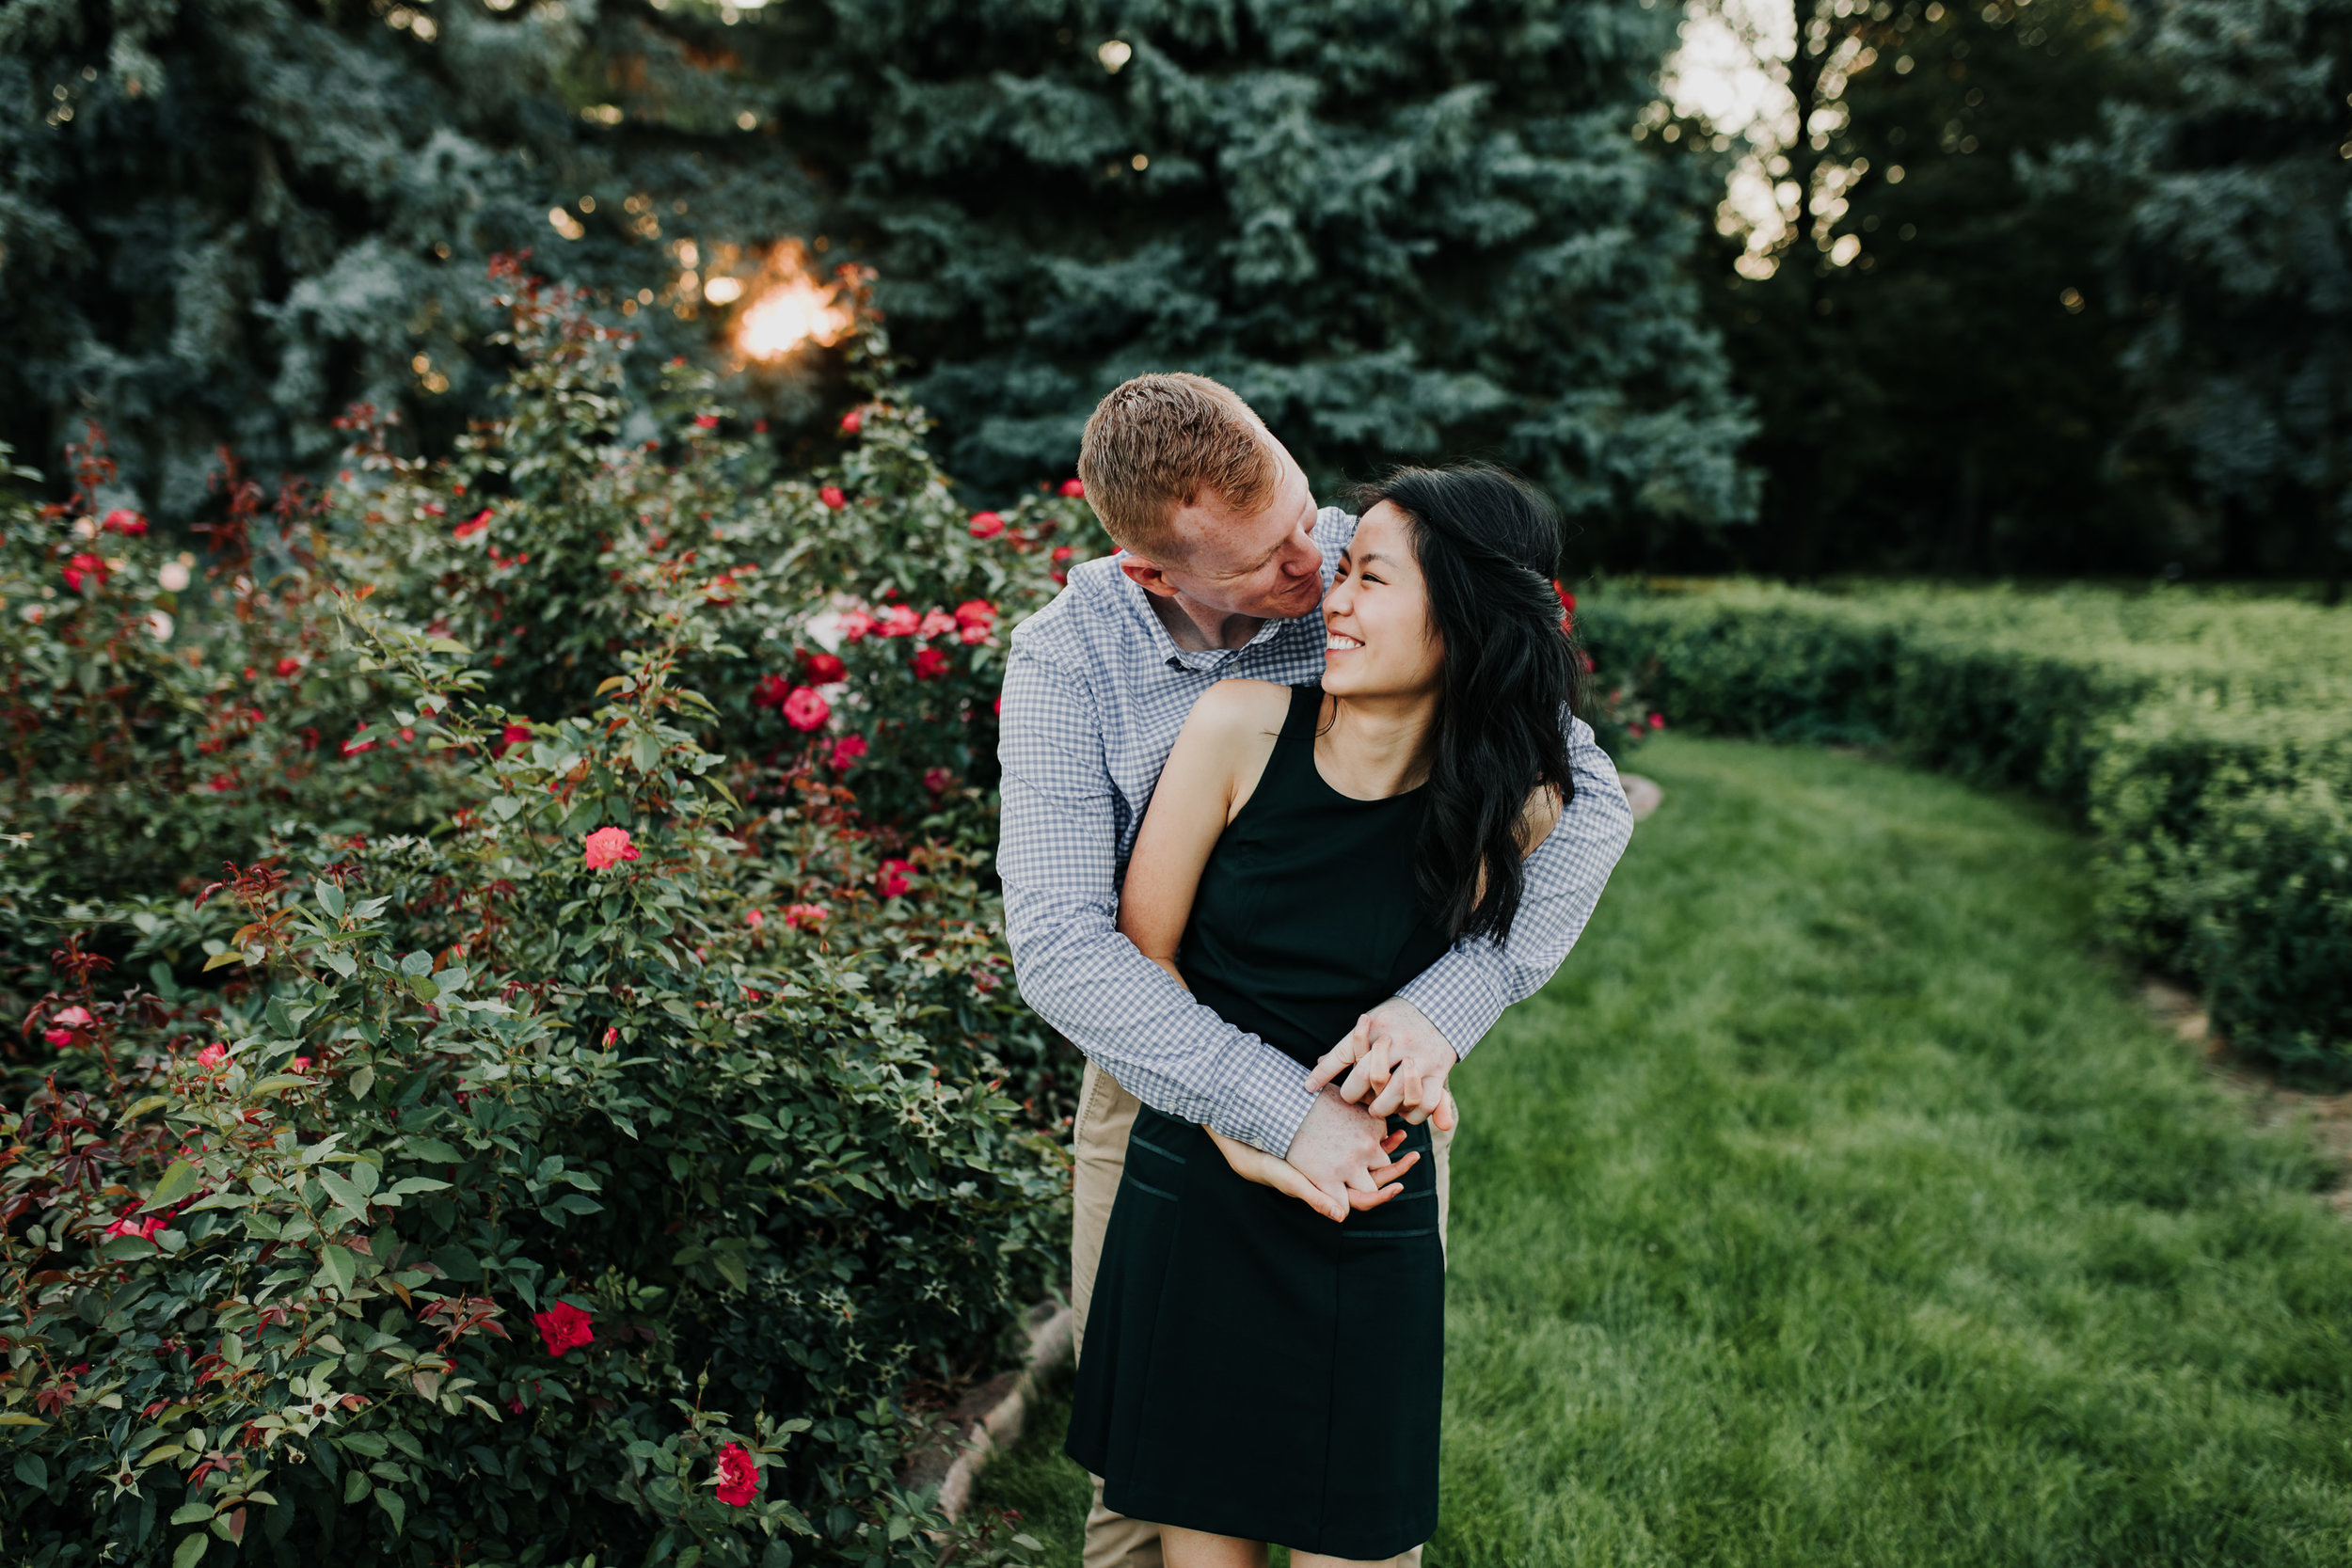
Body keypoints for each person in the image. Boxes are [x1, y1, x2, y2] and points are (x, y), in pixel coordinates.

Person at [997, 375, 1634, 1568]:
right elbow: (1065, 946)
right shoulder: (1067, 661)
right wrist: (1266, 1110)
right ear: (1157, 575)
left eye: (1308, 519)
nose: (1314, 563)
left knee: (1356, 1475)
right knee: (1147, 1491)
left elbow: (1584, 797)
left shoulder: (1369, 566)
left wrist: (1446, 1003)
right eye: (1273, 560)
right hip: (1162, 1070)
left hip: (1372, 1081)